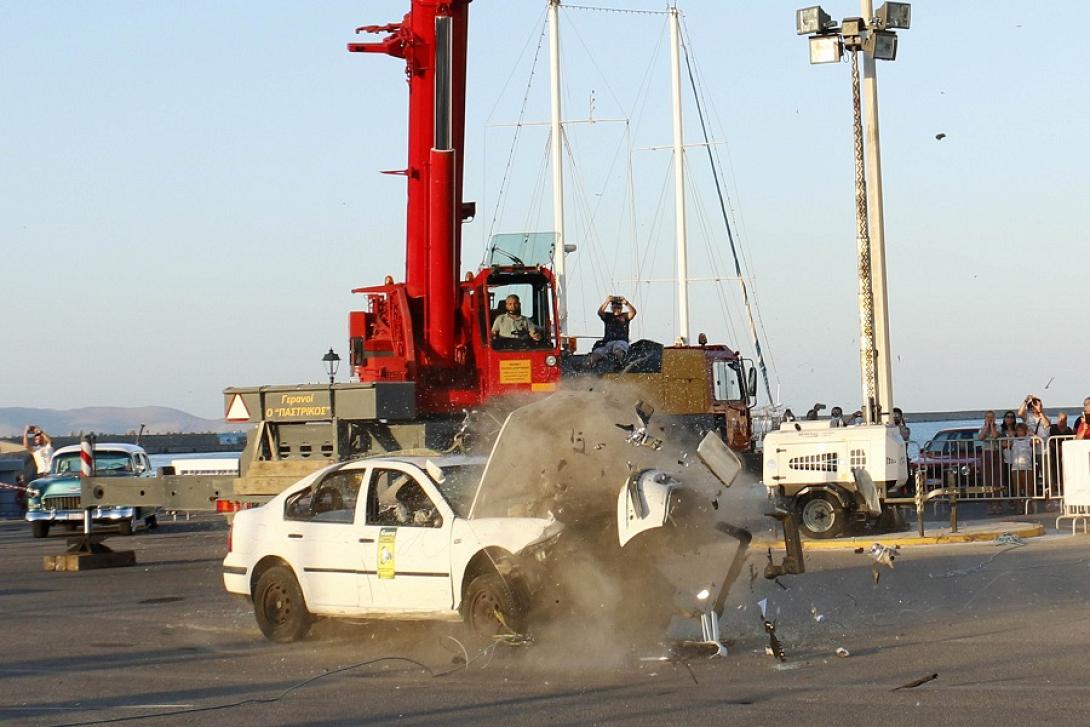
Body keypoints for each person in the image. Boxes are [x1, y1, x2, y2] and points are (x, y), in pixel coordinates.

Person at [585, 295, 636, 367]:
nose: (617, 309)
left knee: (618, 350)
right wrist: (607, 301)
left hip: (621, 341)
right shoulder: (608, 316)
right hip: (608, 343)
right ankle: (587, 368)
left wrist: (626, 303)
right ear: (612, 308)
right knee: (596, 353)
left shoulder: (625, 316)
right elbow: (600, 312)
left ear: (621, 308)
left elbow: (633, 313)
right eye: (615, 307)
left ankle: (619, 365)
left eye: (619, 307)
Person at [978, 411, 1003, 514]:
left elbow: (994, 436)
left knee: (996, 478)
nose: (990, 419)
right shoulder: (982, 428)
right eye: (988, 417)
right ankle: (989, 503)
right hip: (986, 453)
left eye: (992, 417)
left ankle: (997, 503)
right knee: (987, 478)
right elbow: (980, 437)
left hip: (996, 452)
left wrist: (992, 426)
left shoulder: (998, 427)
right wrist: (986, 427)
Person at [1009, 422, 1034, 512]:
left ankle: (1029, 505)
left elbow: (1037, 442)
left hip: (1027, 466)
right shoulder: (1014, 440)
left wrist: (1032, 434)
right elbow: (1005, 445)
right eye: (1018, 430)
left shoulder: (1028, 440)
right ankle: (1019, 506)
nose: (1020, 432)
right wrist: (1010, 437)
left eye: (1022, 430)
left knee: (1028, 488)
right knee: (1017, 488)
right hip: (1016, 467)